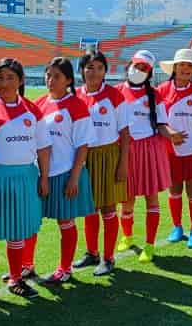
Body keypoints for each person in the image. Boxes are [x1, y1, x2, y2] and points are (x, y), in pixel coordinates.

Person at [0, 58, 51, 307]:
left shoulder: (32, 110)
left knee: (17, 232)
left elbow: (43, 147)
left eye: (10, 78)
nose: (4, 83)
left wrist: (44, 177)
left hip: (24, 178)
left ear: (21, 81)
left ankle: (16, 280)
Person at [32, 57, 96, 284]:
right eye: (48, 75)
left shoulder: (77, 106)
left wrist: (74, 178)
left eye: (56, 76)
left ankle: (65, 269)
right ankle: (26, 267)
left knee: (65, 223)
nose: (50, 80)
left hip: (66, 173)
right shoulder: (39, 103)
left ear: (68, 80)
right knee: (31, 221)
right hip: (41, 175)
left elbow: (83, 145)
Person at [74, 51, 131, 276]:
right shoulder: (76, 96)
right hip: (83, 157)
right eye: (89, 67)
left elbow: (125, 133)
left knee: (108, 208)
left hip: (108, 156)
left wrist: (123, 163)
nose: (94, 71)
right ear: (81, 71)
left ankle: (108, 258)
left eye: (99, 67)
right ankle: (91, 253)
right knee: (89, 207)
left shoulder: (115, 96)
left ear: (105, 71)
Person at [116, 50, 172, 262]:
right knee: (126, 198)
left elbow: (161, 124)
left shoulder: (155, 94)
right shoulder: (117, 91)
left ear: (149, 73)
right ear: (129, 65)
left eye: (143, 69)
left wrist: (172, 136)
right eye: (136, 66)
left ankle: (149, 244)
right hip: (125, 149)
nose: (138, 71)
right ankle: (127, 236)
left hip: (149, 149)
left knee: (151, 198)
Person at [159, 48, 192, 249]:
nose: (186, 69)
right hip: (171, 149)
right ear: (174, 67)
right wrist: (170, 133)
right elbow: (157, 119)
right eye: (182, 65)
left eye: (190, 66)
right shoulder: (162, 90)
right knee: (174, 190)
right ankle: (177, 227)